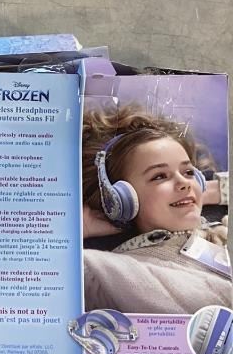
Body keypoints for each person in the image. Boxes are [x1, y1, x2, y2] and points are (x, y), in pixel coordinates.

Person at [82, 106, 230, 315]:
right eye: (159, 176)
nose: (184, 183)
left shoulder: (220, 229)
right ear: (120, 198)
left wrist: (210, 192)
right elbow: (43, 271)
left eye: (188, 172)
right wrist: (76, 229)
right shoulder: (118, 273)